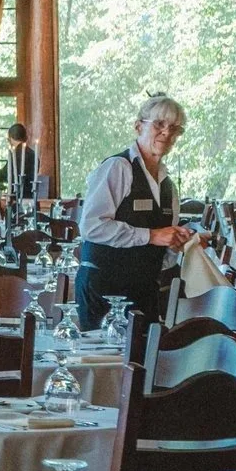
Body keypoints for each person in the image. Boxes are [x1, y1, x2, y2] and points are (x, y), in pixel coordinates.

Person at [73, 93, 190, 331]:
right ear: (138, 126)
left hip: (144, 291)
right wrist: (152, 235)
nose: (166, 133)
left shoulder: (168, 185)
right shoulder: (118, 168)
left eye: (175, 128)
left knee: (145, 355)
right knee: (102, 356)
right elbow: (92, 227)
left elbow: (163, 258)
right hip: (103, 289)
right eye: (159, 124)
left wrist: (179, 243)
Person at [4, 123, 42, 202]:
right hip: (31, 197)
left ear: (11, 138)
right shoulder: (33, 154)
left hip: (16, 199)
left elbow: (5, 174)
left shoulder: (15, 155)